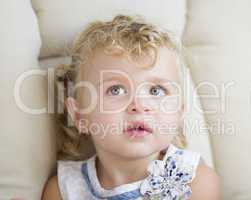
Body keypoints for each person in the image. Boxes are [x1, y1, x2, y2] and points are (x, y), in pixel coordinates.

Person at [42, 15, 220, 200]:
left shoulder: (194, 182)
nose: (139, 105)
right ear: (80, 117)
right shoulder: (64, 189)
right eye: (116, 90)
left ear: (179, 112)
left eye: (156, 90)